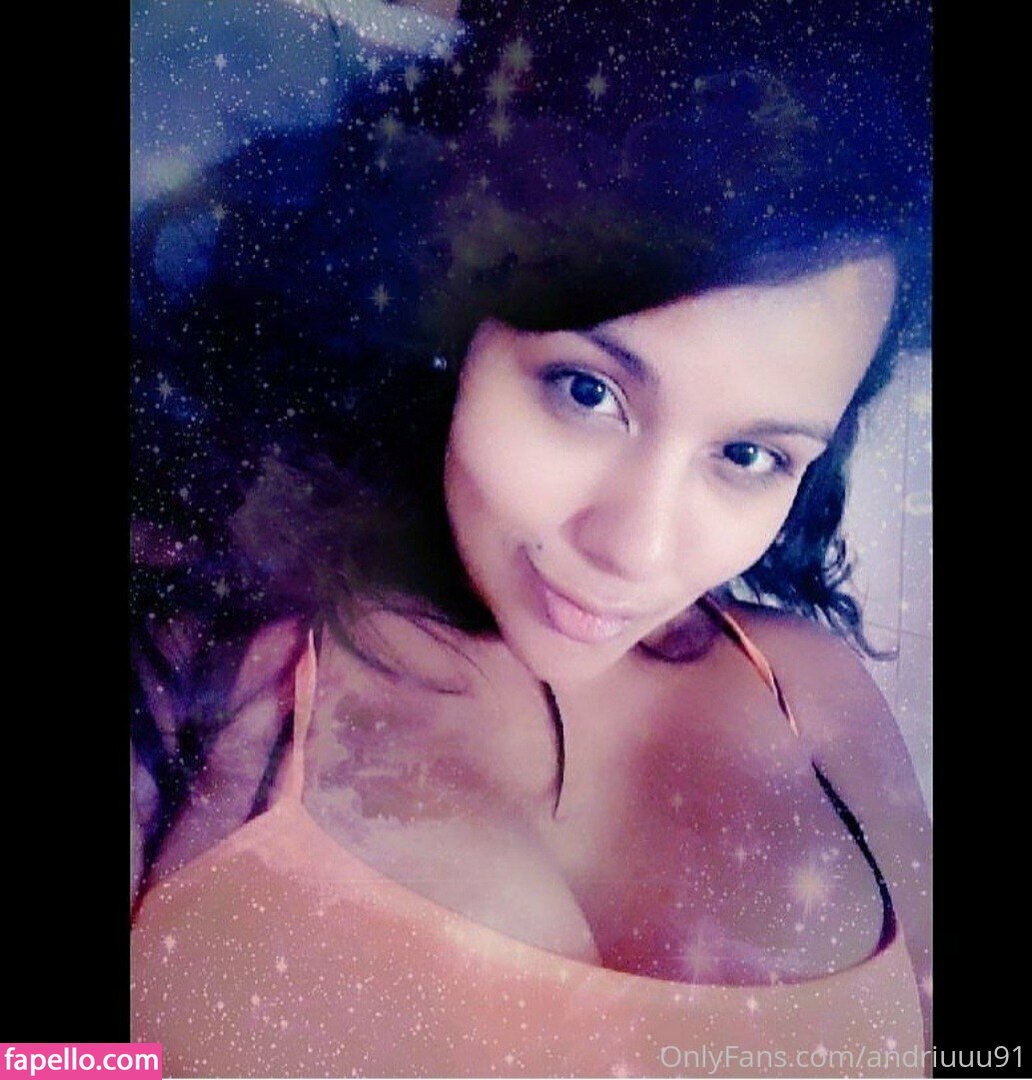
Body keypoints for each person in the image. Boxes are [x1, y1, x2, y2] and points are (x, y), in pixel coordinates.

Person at [129, 1, 932, 1074]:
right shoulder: (192, 660)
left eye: (750, 455)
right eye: (587, 391)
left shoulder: (821, 702)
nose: (636, 549)